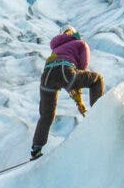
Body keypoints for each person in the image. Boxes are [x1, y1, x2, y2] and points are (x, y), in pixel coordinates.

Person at [31, 26, 106, 159]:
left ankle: (36, 150)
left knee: (47, 115)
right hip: (65, 70)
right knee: (97, 80)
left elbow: (58, 73)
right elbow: (82, 68)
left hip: (47, 75)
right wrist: (78, 96)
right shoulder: (80, 44)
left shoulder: (55, 48)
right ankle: (99, 114)